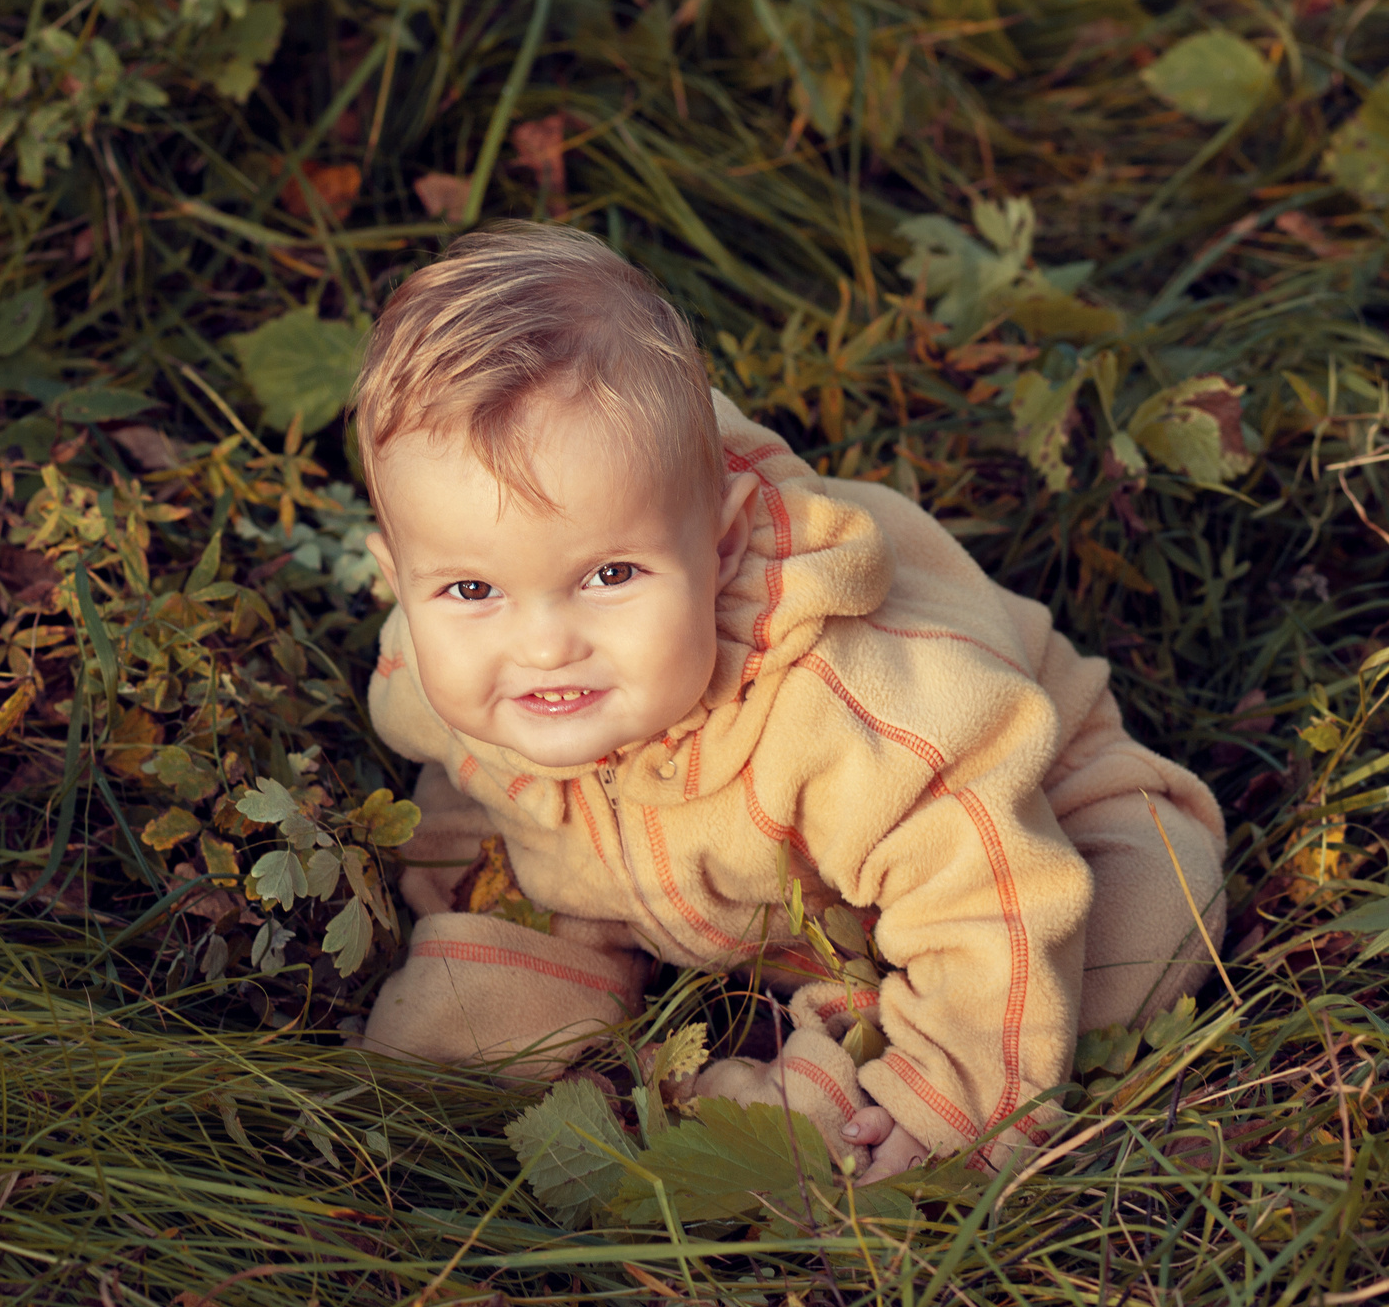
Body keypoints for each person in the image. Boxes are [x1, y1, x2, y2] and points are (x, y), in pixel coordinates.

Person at [351, 221, 1224, 1183]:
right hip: (720, 881)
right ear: (399, 580)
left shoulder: (837, 710)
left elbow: (991, 886)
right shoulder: (452, 672)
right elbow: (459, 782)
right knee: (452, 1012)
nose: (544, 643)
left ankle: (876, 1088)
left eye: (609, 573)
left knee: (1141, 930)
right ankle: (570, 1045)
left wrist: (956, 1091)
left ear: (718, 547)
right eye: (472, 591)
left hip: (1012, 818)